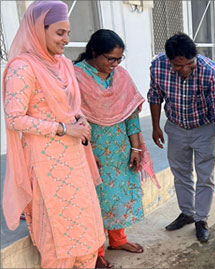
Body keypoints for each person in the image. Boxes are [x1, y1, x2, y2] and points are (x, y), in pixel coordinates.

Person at [2, 1, 105, 267]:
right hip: (46, 162)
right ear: (38, 30)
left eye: (68, 33)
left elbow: (71, 106)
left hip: (74, 156)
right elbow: (14, 118)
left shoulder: (63, 65)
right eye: (60, 33)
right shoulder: (21, 67)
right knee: (57, 231)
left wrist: (79, 119)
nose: (67, 39)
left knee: (84, 224)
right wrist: (62, 129)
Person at [74, 29, 158, 268]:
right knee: (96, 200)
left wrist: (136, 149)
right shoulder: (76, 76)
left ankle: (118, 240)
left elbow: (130, 113)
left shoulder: (120, 76)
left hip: (120, 147)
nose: (115, 64)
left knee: (118, 195)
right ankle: (96, 251)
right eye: (110, 58)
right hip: (92, 147)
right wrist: (86, 150)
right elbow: (73, 117)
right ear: (93, 52)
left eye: (119, 59)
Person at [148, 33, 215, 243]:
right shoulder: (158, 67)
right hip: (176, 127)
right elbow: (155, 96)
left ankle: (201, 219)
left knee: (205, 174)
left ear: (196, 57)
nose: (185, 70)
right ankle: (187, 213)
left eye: (190, 65)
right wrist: (156, 126)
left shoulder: (210, 73)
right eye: (178, 66)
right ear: (169, 61)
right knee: (181, 173)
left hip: (204, 128)